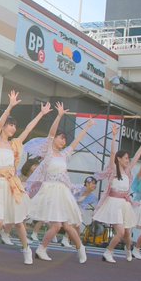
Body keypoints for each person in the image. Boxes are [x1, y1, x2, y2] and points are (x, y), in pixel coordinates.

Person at [0, 90, 52, 266]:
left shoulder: (14, 144)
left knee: (18, 221)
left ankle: (26, 249)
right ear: (3, 126)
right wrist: (9, 106)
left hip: (11, 184)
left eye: (15, 126)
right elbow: (0, 122)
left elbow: (28, 129)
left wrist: (41, 114)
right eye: (11, 125)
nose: (13, 128)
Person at [27, 102, 95, 263]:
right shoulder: (48, 151)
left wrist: (87, 127)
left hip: (62, 192)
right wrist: (59, 116)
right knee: (57, 225)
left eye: (65, 139)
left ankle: (80, 248)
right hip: (49, 191)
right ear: (55, 139)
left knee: (68, 224)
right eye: (61, 138)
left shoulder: (64, 155)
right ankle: (43, 249)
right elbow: (51, 133)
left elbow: (76, 142)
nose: (64, 141)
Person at [93, 124, 141, 263]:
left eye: (128, 158)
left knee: (127, 234)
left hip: (125, 204)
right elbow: (113, 153)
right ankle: (108, 252)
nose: (128, 160)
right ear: (119, 159)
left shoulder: (128, 171)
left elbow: (137, 157)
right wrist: (113, 137)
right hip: (113, 203)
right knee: (120, 232)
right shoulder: (113, 169)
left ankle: (128, 249)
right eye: (125, 158)